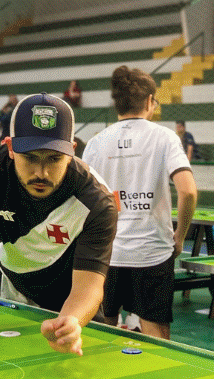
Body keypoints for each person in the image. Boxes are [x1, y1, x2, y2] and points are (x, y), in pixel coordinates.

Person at [0, 93, 118, 356]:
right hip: (9, 283)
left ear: (71, 151)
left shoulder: (96, 201)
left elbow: (89, 285)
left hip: (70, 299)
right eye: (30, 157)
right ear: (10, 147)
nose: (41, 172)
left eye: (54, 158)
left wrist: (72, 321)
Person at [82, 66, 198, 340]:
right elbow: (188, 192)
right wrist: (180, 236)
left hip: (106, 253)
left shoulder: (95, 143)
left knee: (101, 332)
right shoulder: (165, 137)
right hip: (152, 253)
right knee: (156, 336)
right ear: (149, 101)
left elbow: (82, 199)